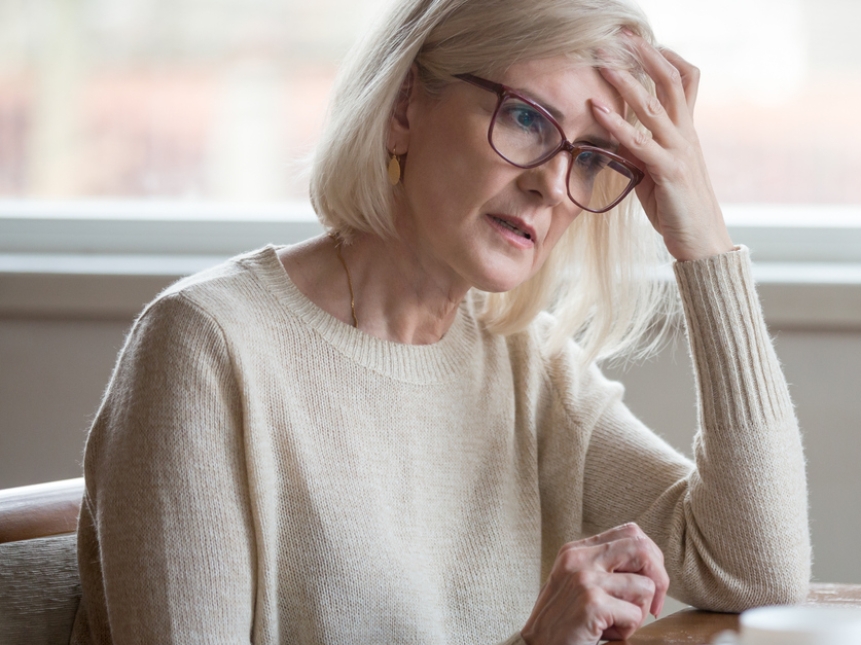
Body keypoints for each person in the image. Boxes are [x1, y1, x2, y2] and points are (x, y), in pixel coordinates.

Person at [72, 0, 811, 643]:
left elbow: (755, 566)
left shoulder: (527, 366)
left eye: (590, 158)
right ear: (403, 107)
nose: (551, 183)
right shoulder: (205, 347)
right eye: (526, 118)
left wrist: (703, 240)